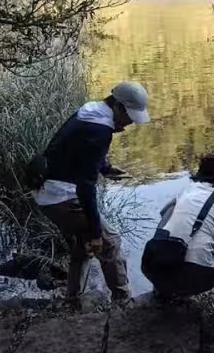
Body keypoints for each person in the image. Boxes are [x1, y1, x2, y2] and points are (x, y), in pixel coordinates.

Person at [31, 81, 150, 304]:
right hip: (61, 196)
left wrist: (105, 168)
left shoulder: (91, 111)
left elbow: (77, 149)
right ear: (118, 106)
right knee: (109, 242)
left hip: (46, 191)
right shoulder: (101, 130)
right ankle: (123, 302)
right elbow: (86, 187)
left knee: (82, 247)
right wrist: (96, 231)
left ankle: (73, 298)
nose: (129, 124)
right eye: (129, 117)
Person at [141, 155, 214, 303]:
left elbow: (163, 213)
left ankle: (162, 293)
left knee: (171, 217)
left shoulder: (188, 190)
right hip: (197, 278)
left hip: (152, 270)